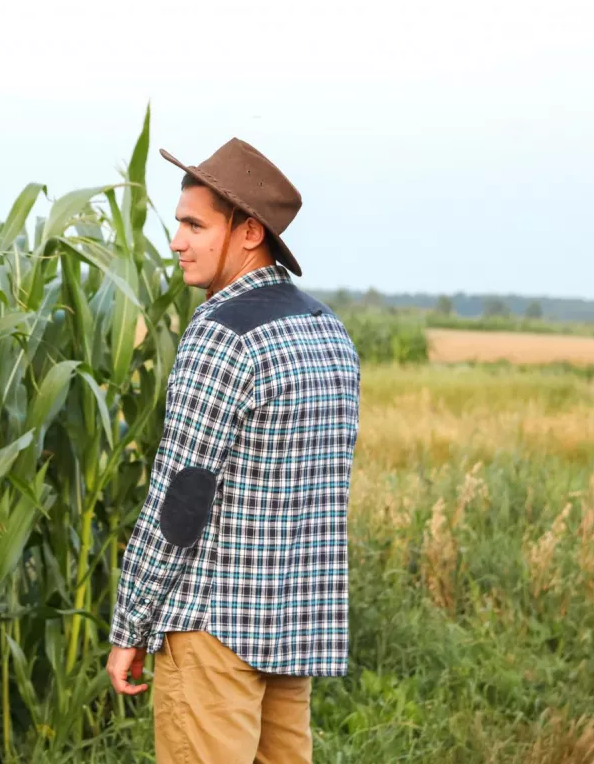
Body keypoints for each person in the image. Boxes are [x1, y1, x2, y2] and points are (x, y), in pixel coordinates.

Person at [106, 138, 361, 763]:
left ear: (248, 232)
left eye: (195, 225)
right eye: (178, 223)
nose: (176, 241)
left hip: (213, 628)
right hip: (293, 625)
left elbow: (181, 503)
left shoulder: (221, 336)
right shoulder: (325, 329)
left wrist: (129, 626)